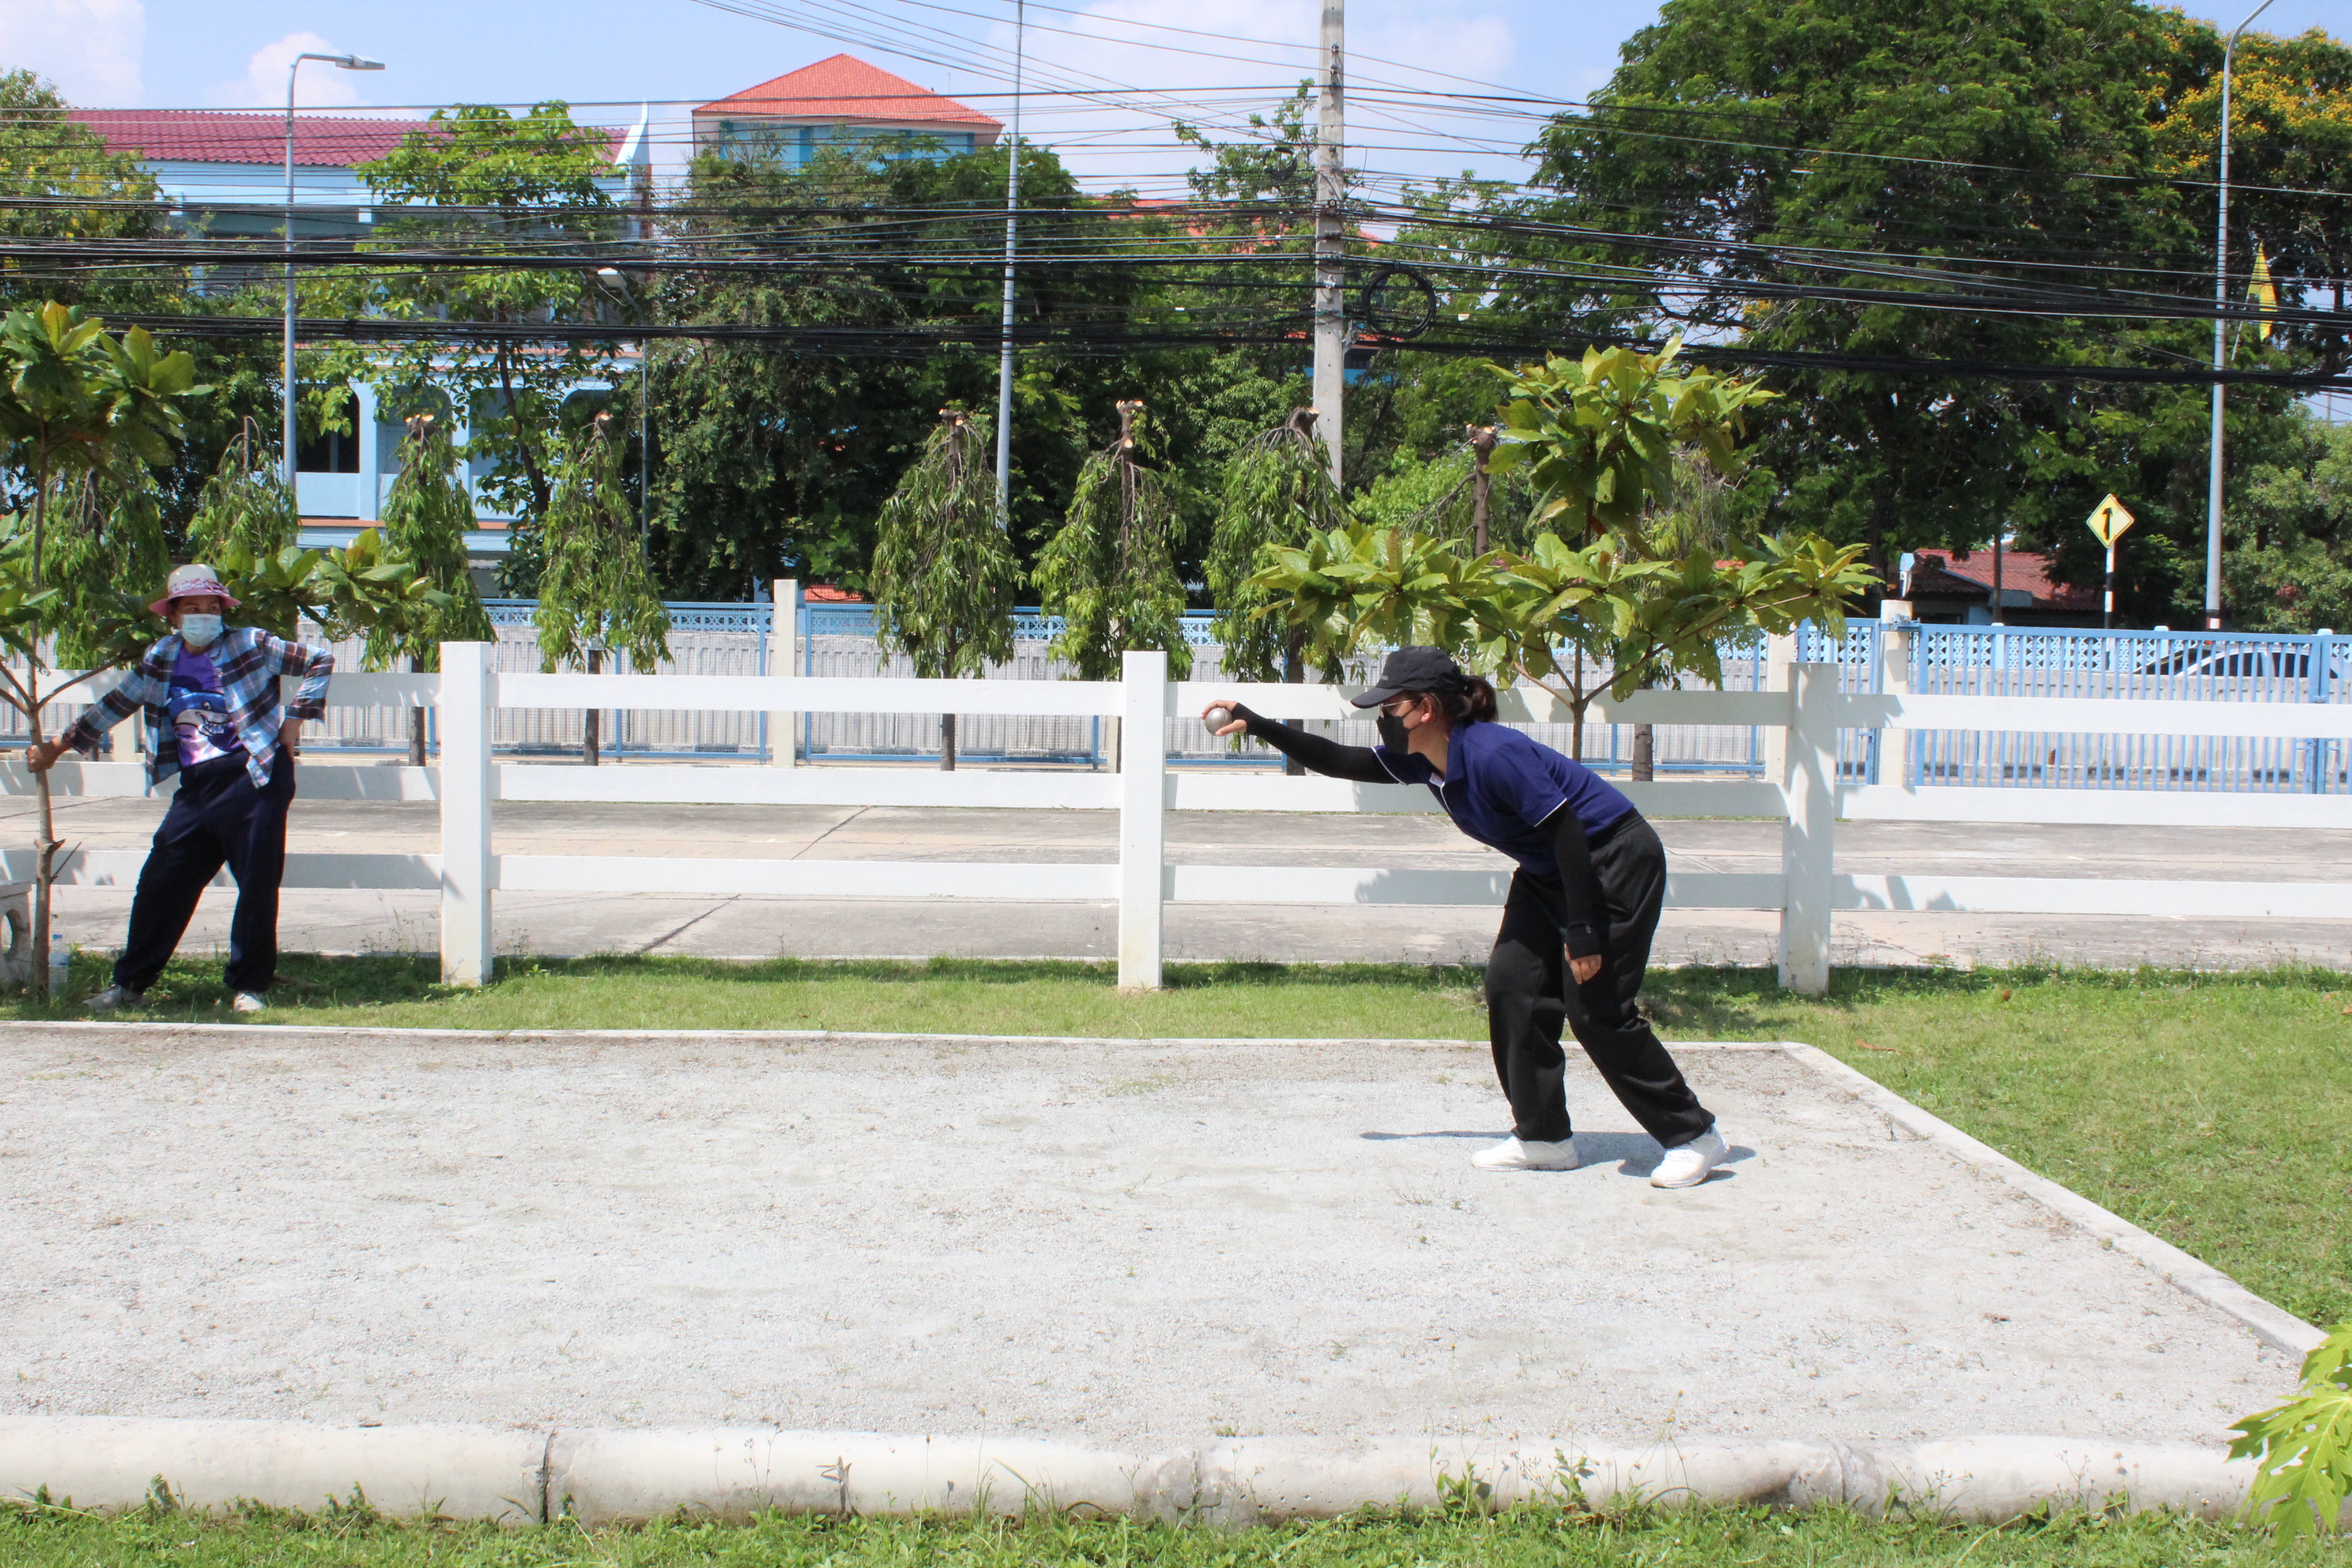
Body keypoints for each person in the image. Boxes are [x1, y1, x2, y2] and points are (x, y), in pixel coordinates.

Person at [1205, 646, 1730, 1188]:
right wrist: (1262, 724)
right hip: (1548, 869)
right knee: (1513, 988)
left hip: (1610, 860)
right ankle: (1544, 1137)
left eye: (1390, 707)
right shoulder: (1428, 763)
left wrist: (1583, 929)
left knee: (1597, 1009)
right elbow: (1340, 760)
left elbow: (1567, 829)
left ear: (1426, 709)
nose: (1382, 718)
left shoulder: (1492, 753)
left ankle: (1694, 1135)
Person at [27, 564, 334, 1015]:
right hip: (197, 786)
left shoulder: (250, 643)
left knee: (256, 884)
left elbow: (318, 660)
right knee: (161, 882)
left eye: (213, 608)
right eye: (192, 608)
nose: (204, 616)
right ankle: (130, 984)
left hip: (254, 778)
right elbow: (118, 703)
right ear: (172, 615)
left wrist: (295, 719)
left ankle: (250, 986)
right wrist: (57, 747)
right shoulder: (161, 656)